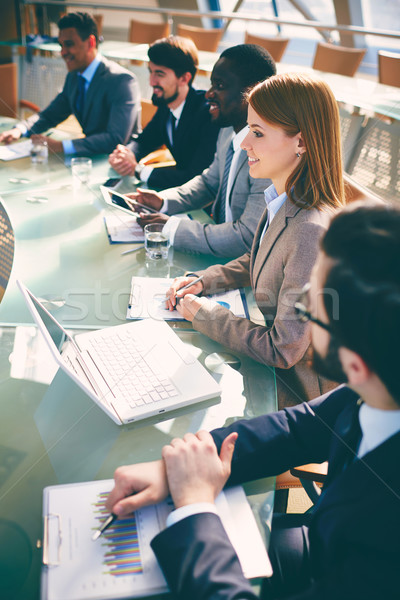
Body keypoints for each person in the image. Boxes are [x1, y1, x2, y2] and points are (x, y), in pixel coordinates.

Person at [106, 201, 400, 600]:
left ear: (355, 364)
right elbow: (299, 426)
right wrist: (183, 468)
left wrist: (194, 507)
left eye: (309, 308)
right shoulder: (380, 385)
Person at [165, 72, 346, 406]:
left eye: (258, 132)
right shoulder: (284, 198)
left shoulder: (310, 230)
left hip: (297, 400)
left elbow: (282, 349)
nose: (245, 142)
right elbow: (261, 258)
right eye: (249, 128)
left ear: (302, 142)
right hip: (264, 373)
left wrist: (205, 314)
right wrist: (205, 280)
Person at [128, 44, 277, 258]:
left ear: (254, 91)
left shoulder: (269, 152)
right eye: (211, 84)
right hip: (215, 249)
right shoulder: (227, 131)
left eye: (220, 85)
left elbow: (246, 237)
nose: (209, 94)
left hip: (244, 264)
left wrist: (172, 228)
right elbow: (209, 182)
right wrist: (163, 201)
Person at [0, 12, 140, 156]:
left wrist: (61, 146)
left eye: (69, 44)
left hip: (120, 163)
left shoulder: (122, 81)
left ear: (90, 42)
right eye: (61, 45)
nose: (63, 52)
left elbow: (115, 139)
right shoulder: (74, 77)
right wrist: (20, 129)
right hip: (90, 157)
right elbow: (49, 115)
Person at [108, 35, 220, 190]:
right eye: (151, 72)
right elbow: (143, 141)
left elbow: (194, 177)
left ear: (184, 78)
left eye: (159, 74)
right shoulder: (166, 106)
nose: (151, 82)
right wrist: (125, 155)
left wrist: (138, 170)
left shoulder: (208, 114)